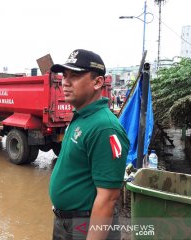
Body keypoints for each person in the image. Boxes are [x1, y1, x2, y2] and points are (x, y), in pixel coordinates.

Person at [49, 49, 129, 240]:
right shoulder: (81, 115)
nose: (65, 82)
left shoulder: (104, 128)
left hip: (84, 225)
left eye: (74, 76)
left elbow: (108, 198)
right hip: (67, 222)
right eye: (64, 75)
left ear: (98, 82)